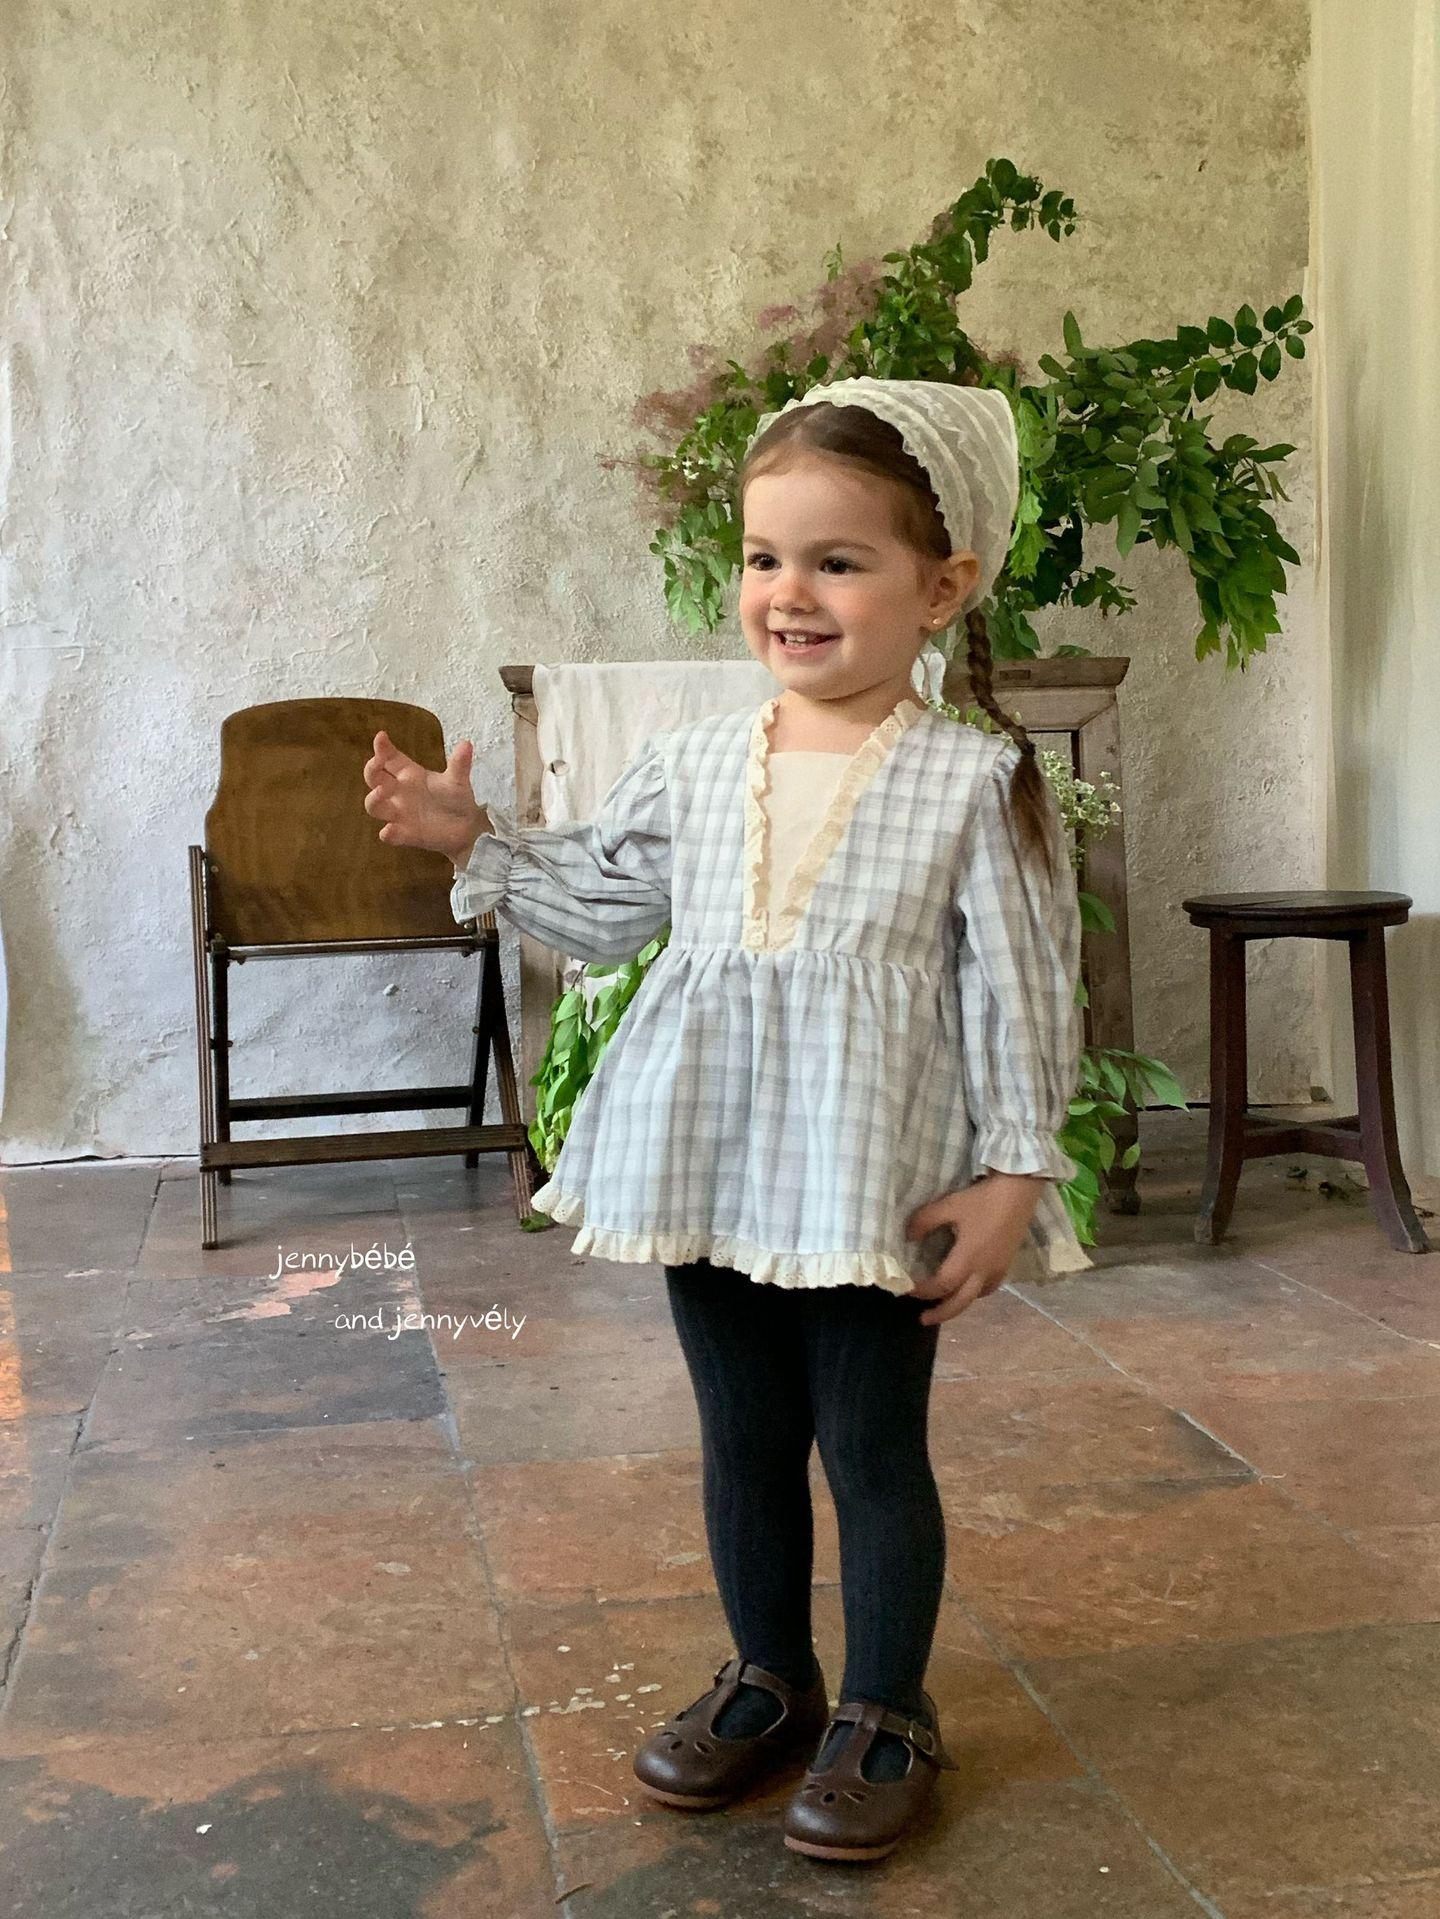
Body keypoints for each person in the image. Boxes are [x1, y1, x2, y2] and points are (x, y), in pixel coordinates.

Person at [361, 377, 1088, 1864]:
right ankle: (770, 1678)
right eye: (765, 558)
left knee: (870, 1449)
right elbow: (605, 907)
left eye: (838, 560)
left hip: (871, 1179)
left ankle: (887, 1708)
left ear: (942, 586)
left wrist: (1016, 1170)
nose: (790, 593)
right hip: (709, 1159)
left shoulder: (974, 779)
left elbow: (1026, 988)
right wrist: (474, 838)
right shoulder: (697, 762)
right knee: (742, 1435)